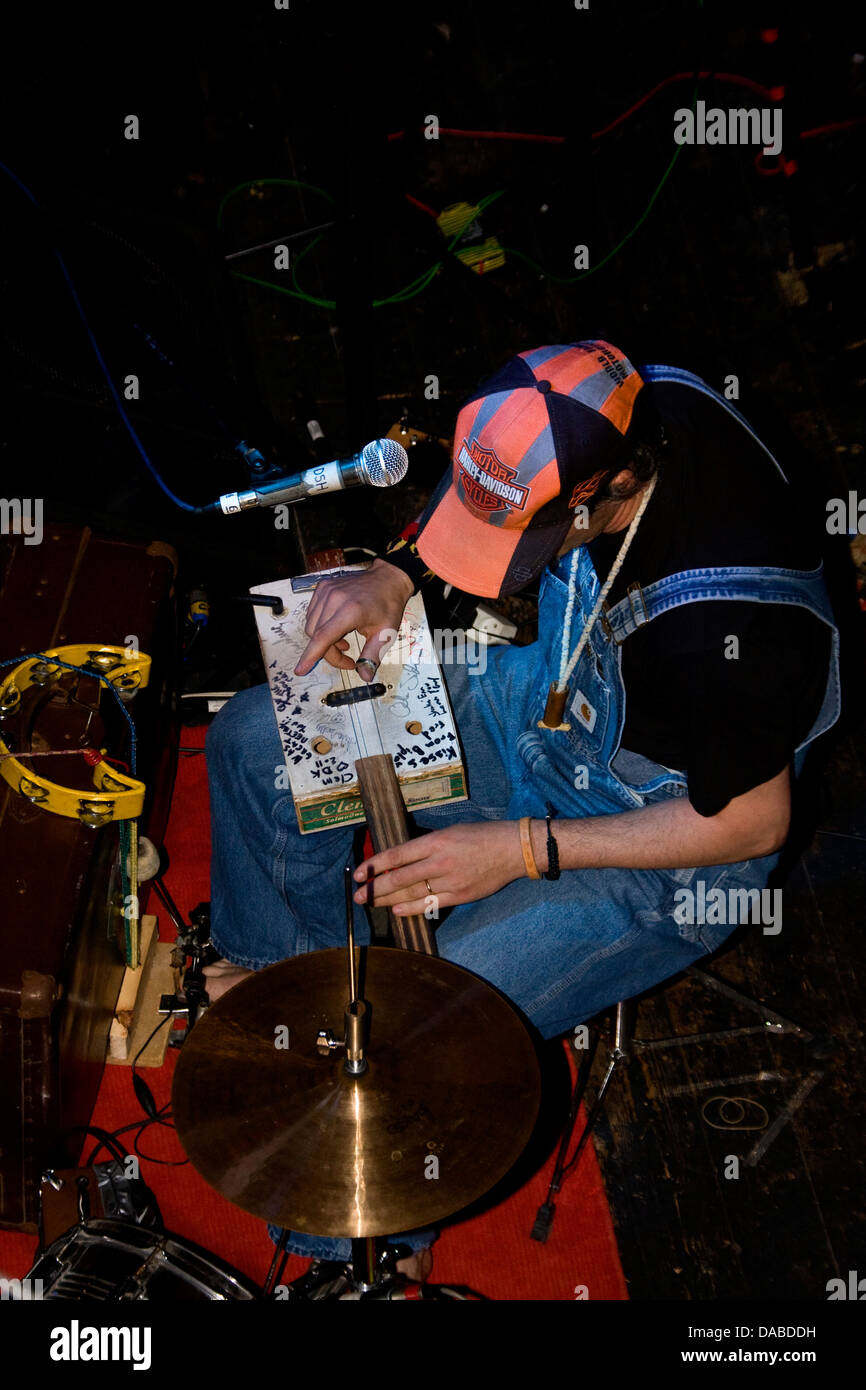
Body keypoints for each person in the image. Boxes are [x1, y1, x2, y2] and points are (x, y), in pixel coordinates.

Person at [203, 339, 840, 1272]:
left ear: (607, 487)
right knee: (255, 743)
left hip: (664, 846)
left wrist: (524, 849)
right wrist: (396, 574)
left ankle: (355, 1248)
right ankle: (274, 986)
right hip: (549, 698)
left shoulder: (722, 627)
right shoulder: (619, 398)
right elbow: (490, 488)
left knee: (414, 1038)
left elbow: (755, 824)